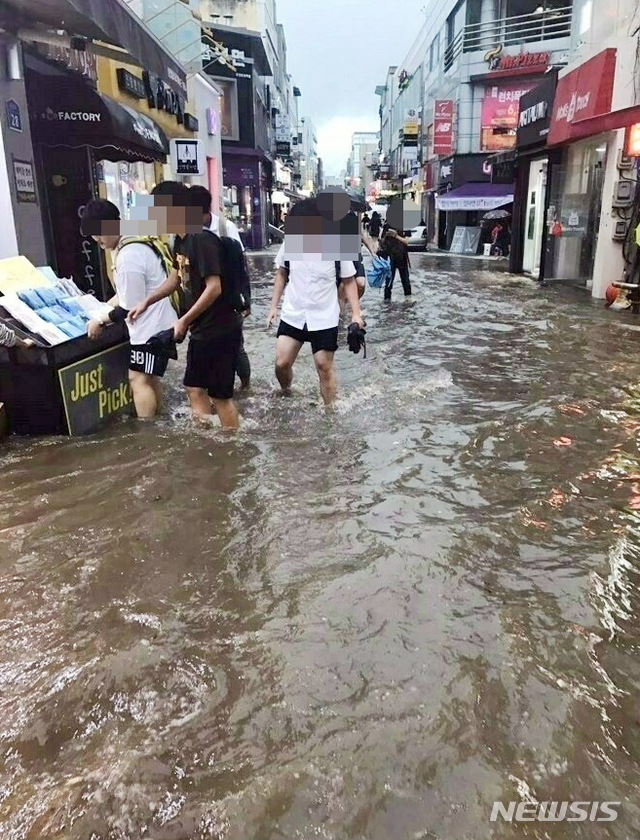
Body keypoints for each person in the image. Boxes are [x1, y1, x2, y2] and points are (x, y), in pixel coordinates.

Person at [81, 199, 176, 419]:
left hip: (151, 330)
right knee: (149, 377)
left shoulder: (128, 255)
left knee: (138, 379)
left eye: (98, 233)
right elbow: (129, 294)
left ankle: (148, 431)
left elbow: (129, 308)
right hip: (160, 324)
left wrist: (100, 320)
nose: (97, 240)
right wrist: (103, 307)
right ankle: (159, 421)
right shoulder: (134, 240)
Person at [266, 197, 365, 406]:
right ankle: (287, 390)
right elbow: (282, 273)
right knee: (281, 363)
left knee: (323, 365)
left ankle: (330, 411)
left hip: (324, 316)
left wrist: (356, 314)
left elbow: (349, 281)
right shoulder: (291, 243)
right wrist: (273, 306)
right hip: (294, 312)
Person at [173, 187, 244, 429]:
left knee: (220, 396)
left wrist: (184, 320)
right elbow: (177, 278)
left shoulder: (201, 240)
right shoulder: (180, 242)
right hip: (202, 330)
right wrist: (146, 302)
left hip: (220, 329)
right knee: (194, 387)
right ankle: (207, 441)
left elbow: (215, 287)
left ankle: (233, 448)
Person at [379, 223, 411, 300]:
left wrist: (396, 236)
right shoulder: (387, 225)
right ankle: (387, 301)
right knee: (388, 282)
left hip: (402, 256)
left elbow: (406, 241)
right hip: (390, 257)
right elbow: (381, 242)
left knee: (405, 280)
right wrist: (386, 236)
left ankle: (408, 300)